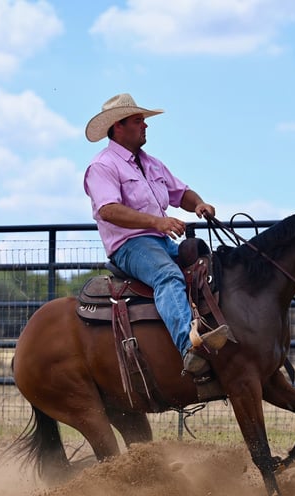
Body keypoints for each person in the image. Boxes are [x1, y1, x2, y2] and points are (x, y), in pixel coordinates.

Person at [83, 93, 231, 377]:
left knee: (208, 265)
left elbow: (181, 193)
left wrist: (198, 203)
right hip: (129, 246)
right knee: (168, 276)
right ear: (118, 126)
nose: (145, 126)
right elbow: (109, 210)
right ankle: (190, 349)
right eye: (139, 121)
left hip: (161, 241)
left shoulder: (152, 164)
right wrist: (158, 223)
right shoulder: (102, 165)